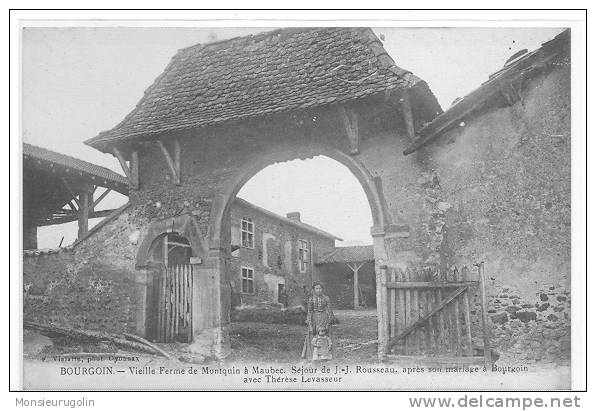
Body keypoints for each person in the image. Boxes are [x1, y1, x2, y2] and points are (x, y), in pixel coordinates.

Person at [301, 282, 334, 360]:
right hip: (314, 318)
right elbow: (309, 311)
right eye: (317, 288)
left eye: (320, 288)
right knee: (312, 334)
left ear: (322, 289)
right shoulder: (311, 299)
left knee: (325, 335)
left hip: (324, 318)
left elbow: (330, 311)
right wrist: (310, 323)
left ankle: (326, 355)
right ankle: (311, 355)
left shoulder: (326, 298)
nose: (318, 290)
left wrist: (328, 322)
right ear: (314, 290)